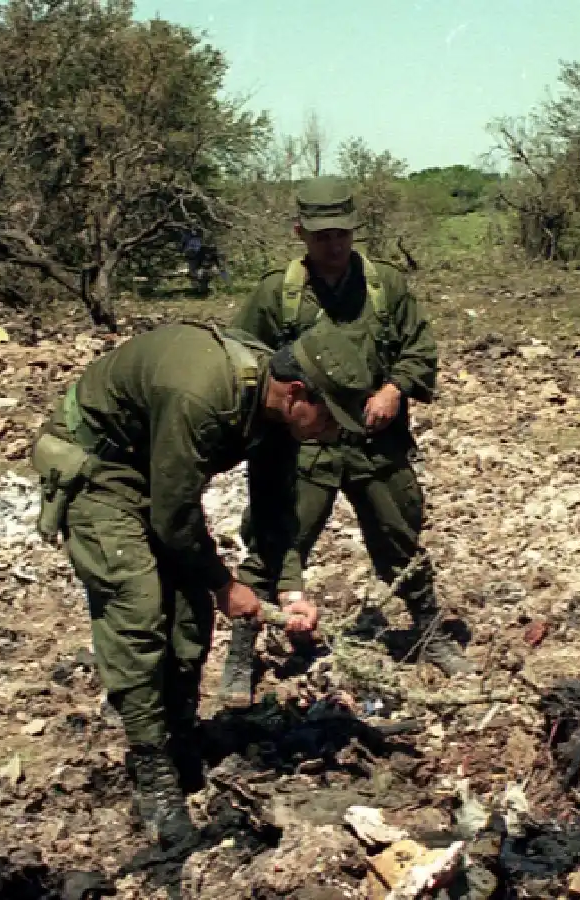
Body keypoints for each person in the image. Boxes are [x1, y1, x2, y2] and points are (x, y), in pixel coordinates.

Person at [30, 322, 373, 849]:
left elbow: (275, 505)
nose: (330, 432)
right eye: (329, 417)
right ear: (298, 393)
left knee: (189, 609)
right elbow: (173, 519)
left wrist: (289, 589)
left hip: (159, 464)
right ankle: (152, 765)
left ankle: (181, 733)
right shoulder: (205, 393)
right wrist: (225, 585)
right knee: (139, 607)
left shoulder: (278, 410)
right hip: (100, 466)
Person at [219, 177, 469, 706]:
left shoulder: (386, 286)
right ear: (300, 233)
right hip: (301, 446)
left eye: (341, 234)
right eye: (320, 236)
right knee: (273, 543)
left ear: (354, 230)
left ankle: (428, 632)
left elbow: (418, 347)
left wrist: (395, 389)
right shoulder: (276, 295)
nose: (332, 246)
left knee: (399, 536)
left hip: (374, 440)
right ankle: (242, 650)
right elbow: (245, 361)